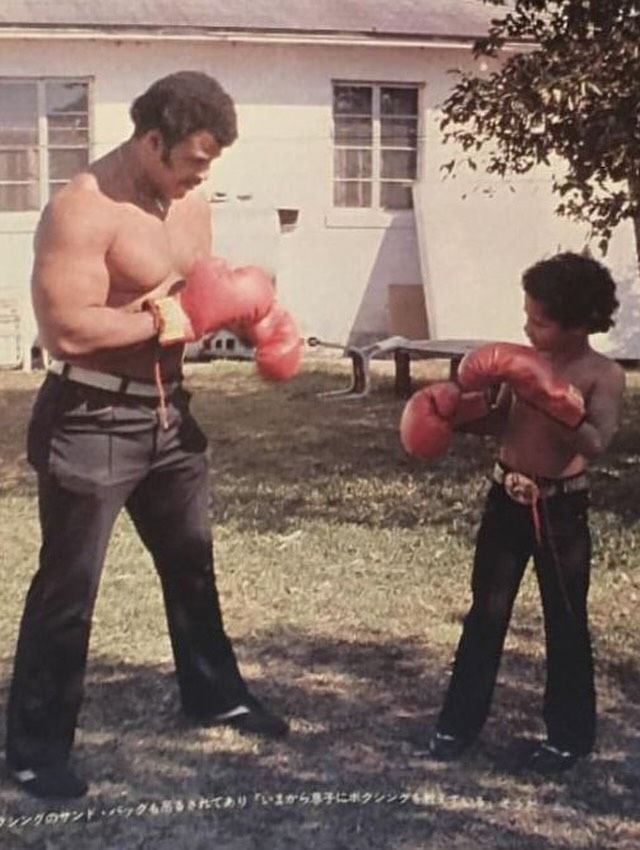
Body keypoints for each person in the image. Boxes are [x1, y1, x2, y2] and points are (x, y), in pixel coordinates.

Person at [6, 71, 301, 800]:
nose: (203, 174)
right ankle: (34, 749)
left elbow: (196, 289)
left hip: (169, 415)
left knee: (192, 563)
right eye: (194, 159)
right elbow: (66, 328)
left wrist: (250, 310)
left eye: (211, 163)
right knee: (68, 589)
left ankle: (213, 693)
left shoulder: (190, 203)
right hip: (92, 417)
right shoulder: (83, 209)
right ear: (151, 140)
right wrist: (162, 322)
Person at [401, 251, 624, 773]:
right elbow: (501, 420)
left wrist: (552, 399)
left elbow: (595, 442)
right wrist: (450, 414)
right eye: (526, 315)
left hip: (561, 509)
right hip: (507, 498)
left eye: (539, 320)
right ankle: (456, 725)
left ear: (576, 322)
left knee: (566, 621)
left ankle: (569, 737)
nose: (527, 326)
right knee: (486, 613)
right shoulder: (518, 361)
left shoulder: (602, 375)